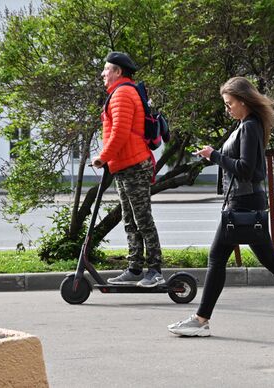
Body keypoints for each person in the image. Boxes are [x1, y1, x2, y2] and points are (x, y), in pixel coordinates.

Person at [168, 77, 274, 337]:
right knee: (269, 260)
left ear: (242, 101)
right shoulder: (246, 124)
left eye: (230, 103)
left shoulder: (249, 126)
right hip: (248, 201)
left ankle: (201, 320)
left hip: (244, 202)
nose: (227, 109)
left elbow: (246, 170)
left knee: (217, 259)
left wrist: (214, 156)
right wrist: (216, 153)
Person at [91, 51, 165, 288]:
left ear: (118, 72)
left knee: (142, 219)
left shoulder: (123, 93)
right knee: (130, 219)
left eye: (106, 69)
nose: (103, 73)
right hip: (124, 166)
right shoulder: (118, 92)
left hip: (134, 165)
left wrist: (103, 158)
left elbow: (120, 133)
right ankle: (135, 269)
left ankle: (155, 270)